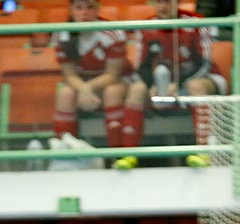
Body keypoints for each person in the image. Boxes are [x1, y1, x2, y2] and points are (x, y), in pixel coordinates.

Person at [113, 0, 225, 170]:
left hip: (203, 78)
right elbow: (142, 66)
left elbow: (204, 63)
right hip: (162, 82)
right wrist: (151, 84)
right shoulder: (146, 27)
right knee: (137, 89)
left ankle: (205, 152)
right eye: (158, 2)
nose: (163, 6)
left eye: (167, 1)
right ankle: (129, 154)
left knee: (196, 86)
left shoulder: (196, 22)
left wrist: (179, 83)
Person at [53, 0, 132, 158]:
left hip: (114, 81)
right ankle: (66, 152)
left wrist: (88, 88)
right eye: (79, 8)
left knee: (112, 92)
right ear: (71, 10)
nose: (84, 13)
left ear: (98, 9)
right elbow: (69, 75)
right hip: (81, 84)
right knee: (65, 94)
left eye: (90, 7)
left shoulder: (112, 33)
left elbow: (112, 75)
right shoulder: (61, 35)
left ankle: (118, 154)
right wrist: (83, 89)